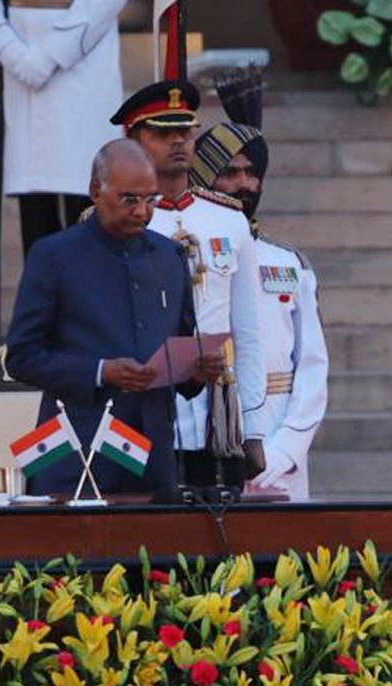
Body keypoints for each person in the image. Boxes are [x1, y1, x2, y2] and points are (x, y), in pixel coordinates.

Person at [5, 140, 218, 496]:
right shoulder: (53, 256)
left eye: (151, 199)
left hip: (153, 455)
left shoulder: (170, 256)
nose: (142, 211)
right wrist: (102, 371)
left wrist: (195, 372)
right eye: (129, 199)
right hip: (75, 450)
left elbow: (178, 359)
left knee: (154, 552)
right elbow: (22, 358)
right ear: (95, 192)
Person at [112, 79, 267, 490]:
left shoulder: (228, 218)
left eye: (185, 131)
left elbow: (248, 331)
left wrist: (252, 426)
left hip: (216, 415)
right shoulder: (111, 222)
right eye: (163, 133)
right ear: (132, 140)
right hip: (139, 412)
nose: (178, 141)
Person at [190, 70, 330, 501]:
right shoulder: (179, 250)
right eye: (230, 172)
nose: (244, 184)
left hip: (280, 439)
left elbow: (312, 368)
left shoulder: (288, 262)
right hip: (204, 434)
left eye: (253, 172)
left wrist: (283, 450)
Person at [0, 0, 125, 256]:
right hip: (21, 63)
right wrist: (12, 52)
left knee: (87, 219)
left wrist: (48, 58)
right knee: (37, 231)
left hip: (86, 66)